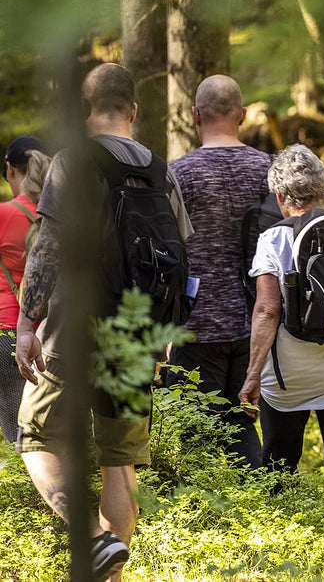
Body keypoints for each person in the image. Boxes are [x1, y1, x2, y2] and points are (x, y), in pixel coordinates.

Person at [14, 63, 193, 582]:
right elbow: (182, 258)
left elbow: (47, 249)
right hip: (139, 335)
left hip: (75, 331)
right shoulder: (164, 172)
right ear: (133, 111)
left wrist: (28, 324)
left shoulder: (73, 161)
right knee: (120, 460)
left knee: (35, 438)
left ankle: (93, 539)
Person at [238, 144, 324, 572]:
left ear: (280, 196)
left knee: (280, 458)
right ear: (320, 187)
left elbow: (266, 310)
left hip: (290, 370)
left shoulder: (273, 237)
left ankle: (282, 546)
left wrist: (250, 377)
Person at [166, 74, 271, 469]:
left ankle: (205, 520)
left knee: (194, 436)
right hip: (257, 320)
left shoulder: (177, 174)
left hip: (195, 323)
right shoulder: (270, 170)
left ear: (195, 115)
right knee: (242, 425)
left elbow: (168, 254)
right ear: (242, 115)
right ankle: (259, 513)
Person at [0, 136, 48, 443]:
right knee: (42, 434)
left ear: (10, 170)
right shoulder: (58, 217)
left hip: (6, 333)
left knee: (13, 437)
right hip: (49, 336)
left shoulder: (4, 214)